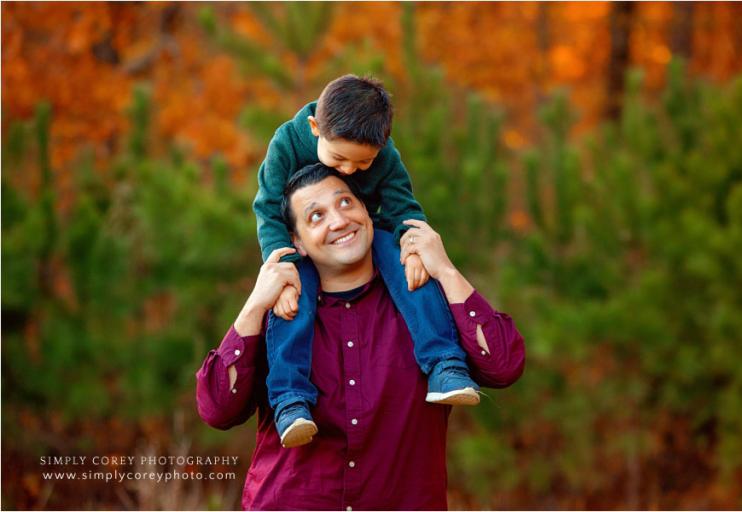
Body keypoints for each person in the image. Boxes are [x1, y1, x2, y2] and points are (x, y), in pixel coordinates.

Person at [196, 164, 525, 510]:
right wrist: (254, 305)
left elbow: (503, 365)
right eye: (316, 216)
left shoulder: (424, 305)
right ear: (297, 242)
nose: (338, 221)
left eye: (346, 203)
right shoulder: (280, 315)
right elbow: (218, 409)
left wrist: (445, 270)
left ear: (367, 211)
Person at [252, 74, 480, 448]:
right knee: (293, 298)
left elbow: (402, 205)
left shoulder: (386, 157)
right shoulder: (287, 142)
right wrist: (282, 268)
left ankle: (445, 363)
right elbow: (266, 208)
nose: (348, 170)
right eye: (339, 157)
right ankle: (290, 399)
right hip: (309, 243)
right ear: (315, 128)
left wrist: (412, 244)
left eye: (363, 162)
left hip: (367, 232)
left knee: (409, 270)